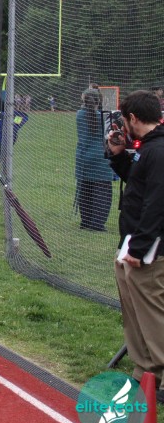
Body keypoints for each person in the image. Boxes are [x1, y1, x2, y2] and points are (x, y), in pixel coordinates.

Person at [106, 90, 164, 402]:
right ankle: (145, 370)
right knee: (135, 311)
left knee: (151, 313)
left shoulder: (158, 150)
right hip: (134, 241)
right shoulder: (148, 148)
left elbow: (156, 204)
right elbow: (138, 183)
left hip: (150, 248)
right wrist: (119, 156)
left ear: (132, 118)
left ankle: (157, 373)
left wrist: (140, 249)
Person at [75, 88, 114, 232]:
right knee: (102, 191)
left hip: (83, 156)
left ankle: (85, 221)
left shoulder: (80, 114)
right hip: (100, 157)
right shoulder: (103, 117)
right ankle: (97, 223)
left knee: (85, 188)